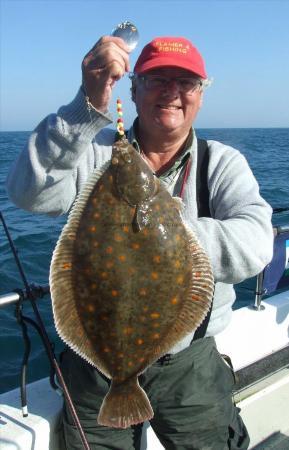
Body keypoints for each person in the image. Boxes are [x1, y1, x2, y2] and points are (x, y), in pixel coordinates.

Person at [6, 35, 274, 450]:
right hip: (94, 370)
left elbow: (256, 244)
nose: (172, 92)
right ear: (133, 90)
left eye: (185, 83)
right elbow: (30, 192)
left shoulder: (222, 163)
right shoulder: (96, 157)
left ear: (201, 94)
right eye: (157, 79)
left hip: (190, 367)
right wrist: (86, 105)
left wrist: (161, 231)